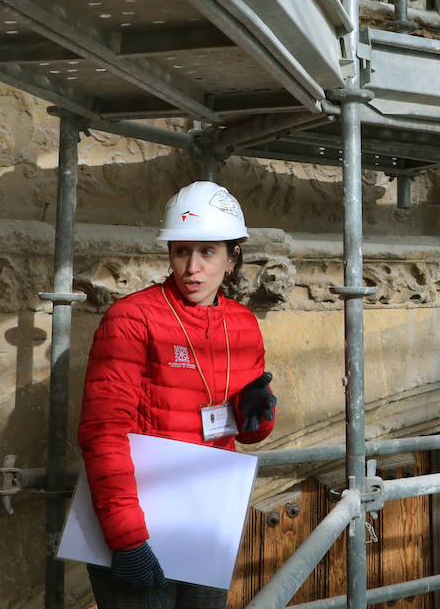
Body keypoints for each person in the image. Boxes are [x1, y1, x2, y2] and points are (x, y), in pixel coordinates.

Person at [78, 181, 276, 607]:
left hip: (205, 520)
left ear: (231, 256)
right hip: (140, 525)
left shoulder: (243, 324)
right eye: (181, 250)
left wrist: (255, 413)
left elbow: (245, 436)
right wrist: (126, 538)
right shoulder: (131, 318)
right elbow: (104, 433)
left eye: (207, 252)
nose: (192, 267)